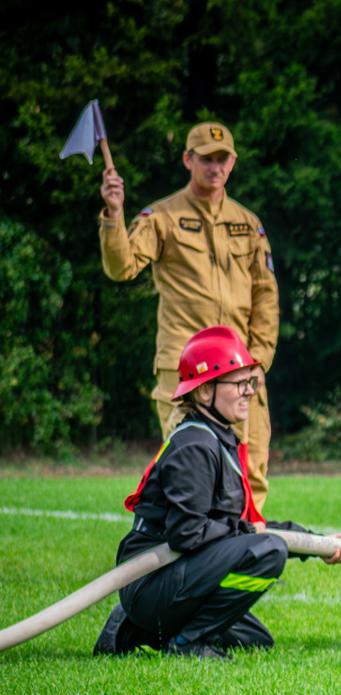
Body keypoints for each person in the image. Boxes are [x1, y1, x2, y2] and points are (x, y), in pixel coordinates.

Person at [94, 326, 341, 660]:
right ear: (205, 392)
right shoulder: (195, 446)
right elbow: (187, 534)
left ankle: (130, 628)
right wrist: (248, 532)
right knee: (268, 553)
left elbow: (244, 527)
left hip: (171, 579)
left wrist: (319, 543)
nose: (249, 392)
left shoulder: (217, 440)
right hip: (151, 581)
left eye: (251, 382)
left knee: (255, 639)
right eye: (239, 383)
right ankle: (186, 644)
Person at [100, 121, 279, 511]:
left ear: (232, 162)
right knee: (191, 460)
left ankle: (246, 553)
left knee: (251, 468)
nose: (215, 167)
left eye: (222, 159)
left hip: (240, 368)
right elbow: (122, 266)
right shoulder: (162, 217)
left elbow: (266, 295)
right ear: (188, 159)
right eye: (206, 159)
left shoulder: (248, 223)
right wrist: (113, 216)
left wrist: (260, 359)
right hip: (186, 371)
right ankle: (189, 552)